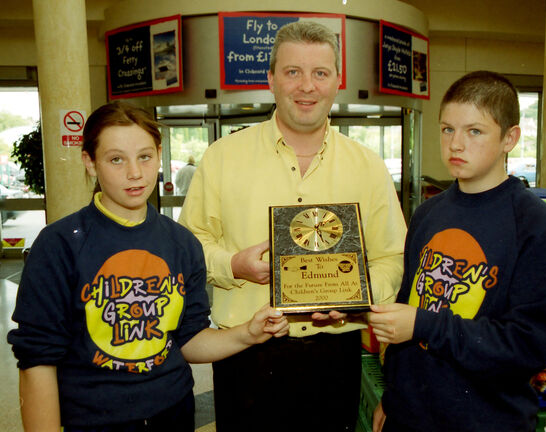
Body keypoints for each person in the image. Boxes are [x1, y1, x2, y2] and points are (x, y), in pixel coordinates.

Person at [178, 21, 407, 432]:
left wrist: (356, 294)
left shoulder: (368, 166)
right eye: (292, 72)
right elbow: (191, 243)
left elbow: (392, 255)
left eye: (320, 73)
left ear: (337, 81)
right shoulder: (221, 158)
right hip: (246, 350)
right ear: (270, 79)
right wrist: (233, 265)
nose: (307, 86)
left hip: (334, 354)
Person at [7, 101, 288, 432]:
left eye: (144, 156)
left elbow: (189, 340)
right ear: (90, 162)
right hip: (91, 420)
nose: (135, 173)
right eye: (116, 159)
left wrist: (247, 334)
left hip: (173, 413)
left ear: (158, 154)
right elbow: (37, 360)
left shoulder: (182, 244)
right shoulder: (59, 245)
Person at [368, 71, 546, 432]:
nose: (456, 144)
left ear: (510, 138)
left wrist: (424, 325)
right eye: (447, 129)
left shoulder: (535, 223)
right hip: (409, 415)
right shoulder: (428, 213)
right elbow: (409, 306)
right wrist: (394, 395)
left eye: (474, 131)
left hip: (486, 420)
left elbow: (530, 344)